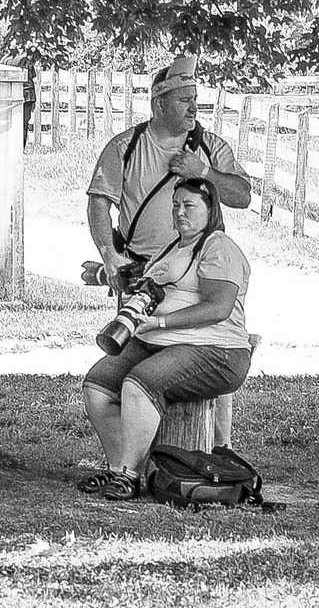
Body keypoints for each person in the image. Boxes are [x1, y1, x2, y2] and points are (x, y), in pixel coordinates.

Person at [85, 54, 251, 443]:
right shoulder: (126, 146)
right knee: (137, 362)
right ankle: (140, 456)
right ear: (159, 103)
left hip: (200, 276)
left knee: (203, 353)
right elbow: (98, 203)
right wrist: (110, 256)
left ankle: (215, 450)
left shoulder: (210, 147)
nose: (194, 107)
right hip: (142, 278)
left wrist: (204, 172)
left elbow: (242, 196)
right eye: (183, 99)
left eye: (195, 98)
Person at [78, 177, 253, 500]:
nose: (180, 213)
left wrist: (160, 321)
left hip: (217, 350)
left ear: (211, 208)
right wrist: (104, 274)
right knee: (97, 386)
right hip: (160, 342)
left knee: (140, 383)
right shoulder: (173, 246)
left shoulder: (218, 246)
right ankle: (118, 468)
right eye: (175, 205)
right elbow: (144, 280)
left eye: (189, 205)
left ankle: (129, 475)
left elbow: (217, 307)